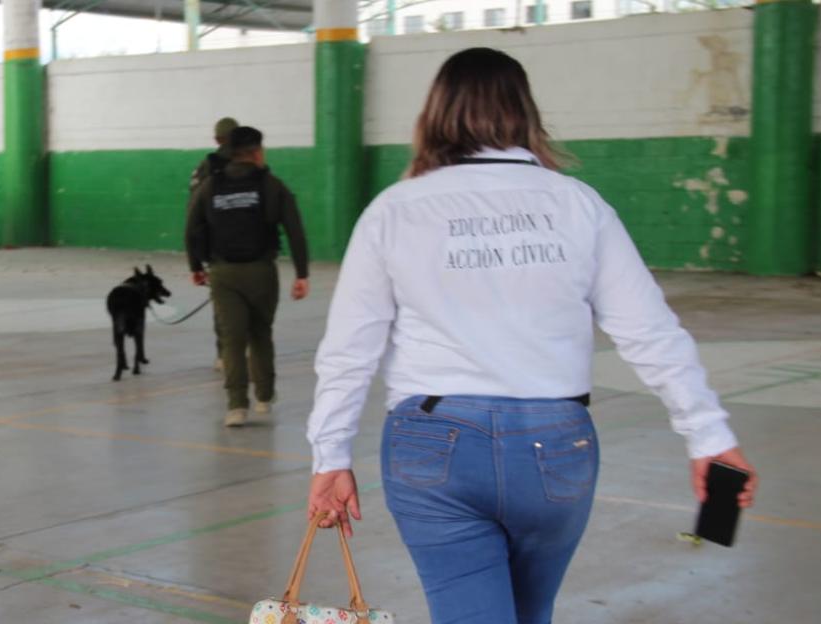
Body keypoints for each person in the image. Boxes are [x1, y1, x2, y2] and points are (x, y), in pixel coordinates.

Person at [304, 48, 757, 624]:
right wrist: (708, 436)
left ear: (435, 114)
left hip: (431, 447)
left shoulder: (393, 211)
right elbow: (650, 332)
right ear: (525, 113)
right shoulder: (578, 205)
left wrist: (330, 455)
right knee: (528, 612)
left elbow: (349, 350)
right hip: (555, 447)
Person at [186, 126, 310, 427]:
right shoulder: (271, 185)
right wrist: (301, 273)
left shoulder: (210, 186)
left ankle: (236, 406)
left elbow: (192, 227)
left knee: (231, 339)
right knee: (260, 333)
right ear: (257, 152)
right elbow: (294, 230)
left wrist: (196, 267)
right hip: (261, 271)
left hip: (223, 273)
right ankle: (264, 396)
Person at [191, 116, 240, 371]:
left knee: (222, 304)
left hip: (216, 248)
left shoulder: (205, 168)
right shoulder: (251, 163)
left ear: (217, 139)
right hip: (250, 247)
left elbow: (195, 213)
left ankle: (224, 355)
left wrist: (197, 258)